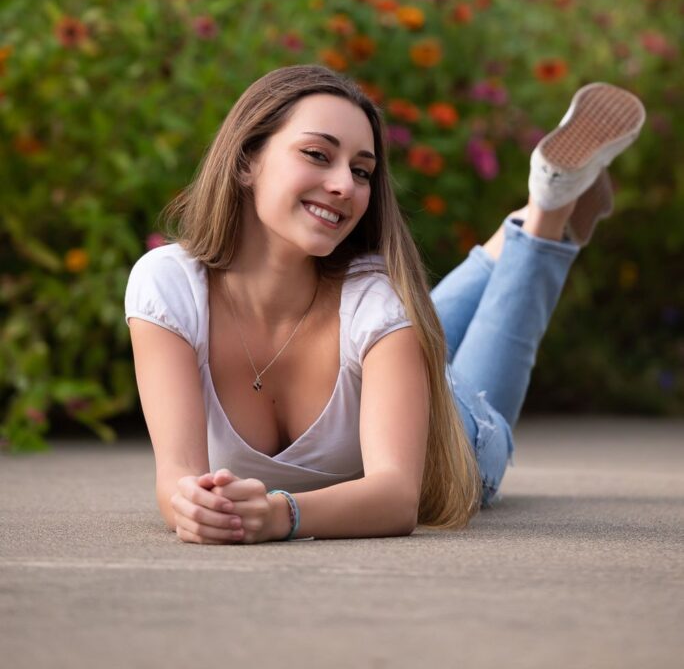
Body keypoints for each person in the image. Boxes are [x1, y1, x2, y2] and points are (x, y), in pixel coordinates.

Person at [124, 66, 646, 545]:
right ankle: (539, 205)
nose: (344, 185)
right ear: (245, 161)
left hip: (448, 432)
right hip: (381, 349)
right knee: (397, 314)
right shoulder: (169, 288)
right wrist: (189, 505)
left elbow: (397, 497)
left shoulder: (376, 300)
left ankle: (548, 213)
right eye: (317, 154)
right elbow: (176, 478)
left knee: (406, 327)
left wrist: (279, 514)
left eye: (362, 170)